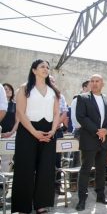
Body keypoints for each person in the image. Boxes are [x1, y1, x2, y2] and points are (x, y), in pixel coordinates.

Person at [11, 59, 61, 213]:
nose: (46, 69)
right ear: (33, 70)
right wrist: (34, 132)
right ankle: (22, 207)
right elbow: (20, 112)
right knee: (24, 168)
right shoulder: (24, 88)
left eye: (47, 67)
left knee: (46, 169)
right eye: (42, 67)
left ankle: (41, 204)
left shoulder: (53, 91)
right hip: (28, 131)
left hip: (48, 132)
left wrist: (53, 130)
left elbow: (56, 113)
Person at [75, 74, 107, 211]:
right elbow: (81, 117)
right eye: (92, 81)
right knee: (85, 170)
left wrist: (106, 130)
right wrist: (98, 131)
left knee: (101, 170)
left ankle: (100, 195)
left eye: (97, 81)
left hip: (104, 141)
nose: (94, 83)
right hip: (89, 139)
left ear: (102, 83)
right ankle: (82, 199)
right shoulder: (83, 98)